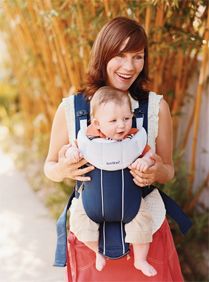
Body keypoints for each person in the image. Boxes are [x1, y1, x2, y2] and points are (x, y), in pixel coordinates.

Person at [44, 17, 185, 281]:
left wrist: (154, 172)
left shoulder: (155, 108)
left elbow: (168, 170)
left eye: (138, 56)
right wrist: (63, 168)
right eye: (120, 55)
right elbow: (49, 167)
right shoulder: (72, 109)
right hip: (89, 241)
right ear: (103, 54)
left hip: (147, 233)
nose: (129, 66)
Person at [65, 86, 156, 276]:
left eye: (126, 118)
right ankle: (97, 252)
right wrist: (71, 153)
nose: (121, 125)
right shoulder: (86, 138)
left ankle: (140, 259)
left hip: (130, 204)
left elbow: (150, 155)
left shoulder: (134, 138)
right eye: (113, 121)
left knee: (143, 222)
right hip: (91, 205)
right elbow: (66, 150)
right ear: (97, 123)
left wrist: (144, 161)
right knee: (78, 221)